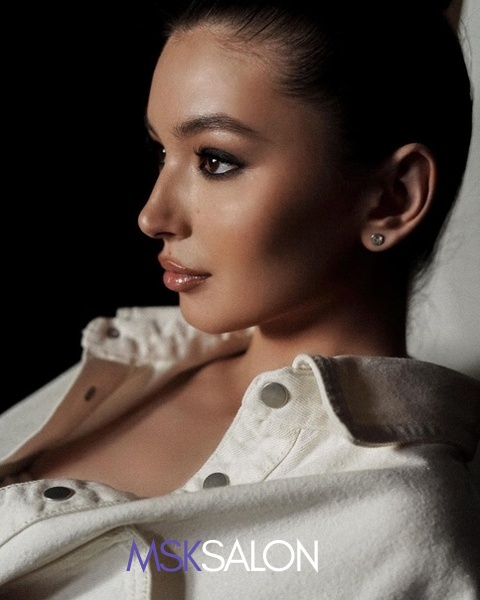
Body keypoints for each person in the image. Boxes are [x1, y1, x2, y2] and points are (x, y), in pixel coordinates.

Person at [1, 0, 479, 597]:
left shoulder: (401, 531)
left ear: (392, 197)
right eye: (162, 152)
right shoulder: (133, 361)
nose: (153, 215)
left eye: (215, 160)